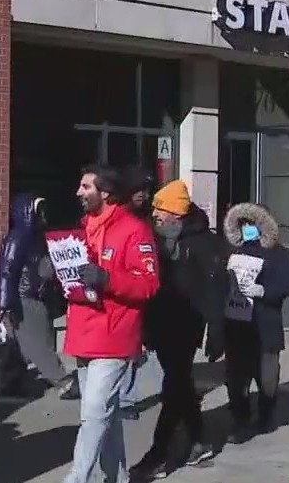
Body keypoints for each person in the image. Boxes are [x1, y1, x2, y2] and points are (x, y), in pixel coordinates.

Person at [61, 165, 160, 483]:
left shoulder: (134, 229)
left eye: (85, 186)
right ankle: (116, 477)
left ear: (105, 193)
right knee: (105, 413)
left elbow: (149, 283)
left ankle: (77, 477)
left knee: (93, 411)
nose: (79, 192)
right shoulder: (82, 228)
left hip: (115, 333)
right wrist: (54, 273)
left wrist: (107, 278)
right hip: (84, 331)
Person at [130, 181, 229, 481]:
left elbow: (215, 292)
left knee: (174, 385)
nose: (156, 215)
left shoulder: (204, 244)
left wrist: (217, 331)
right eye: (155, 210)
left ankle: (159, 454)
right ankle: (198, 438)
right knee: (181, 383)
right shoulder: (154, 239)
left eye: (162, 210)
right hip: (160, 323)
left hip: (188, 325)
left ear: (178, 214)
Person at [222, 202, 289, 444]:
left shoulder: (278, 254)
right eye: (243, 225)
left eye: (252, 225)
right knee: (236, 379)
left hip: (265, 326)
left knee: (267, 378)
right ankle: (241, 420)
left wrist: (264, 290)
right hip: (236, 326)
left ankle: (265, 415)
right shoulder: (232, 251)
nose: (247, 230)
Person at [0, 194, 74, 398]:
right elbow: (7, 270)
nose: (44, 215)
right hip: (25, 297)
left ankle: (7, 382)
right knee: (39, 343)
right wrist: (5, 301)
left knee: (16, 344)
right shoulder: (20, 237)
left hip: (26, 295)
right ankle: (63, 381)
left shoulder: (35, 237)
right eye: (40, 211)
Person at [117, 166, 163, 418]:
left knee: (140, 349)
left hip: (147, 289)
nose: (143, 195)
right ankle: (123, 399)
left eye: (146, 191)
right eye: (138, 190)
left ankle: (127, 396)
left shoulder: (149, 219)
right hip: (124, 290)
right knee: (128, 350)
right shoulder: (119, 219)